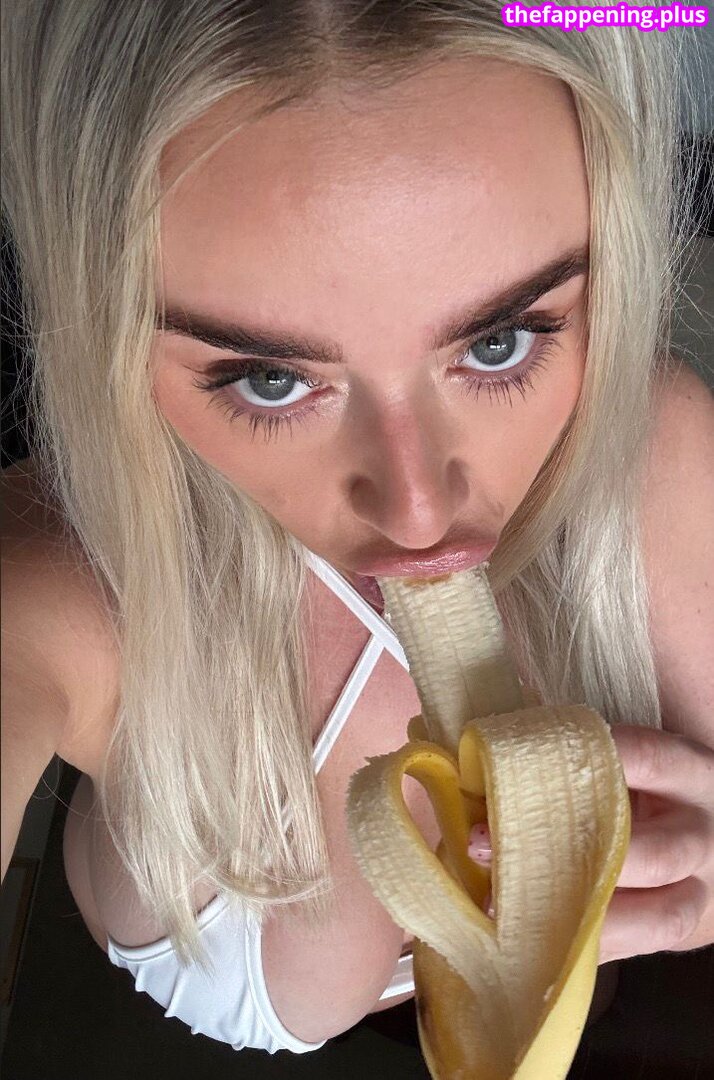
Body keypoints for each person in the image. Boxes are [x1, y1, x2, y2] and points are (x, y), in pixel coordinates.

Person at [1, 0, 712, 1060]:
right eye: (270, 378)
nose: (419, 513)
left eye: (503, 340)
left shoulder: (657, 453)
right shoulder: (67, 588)